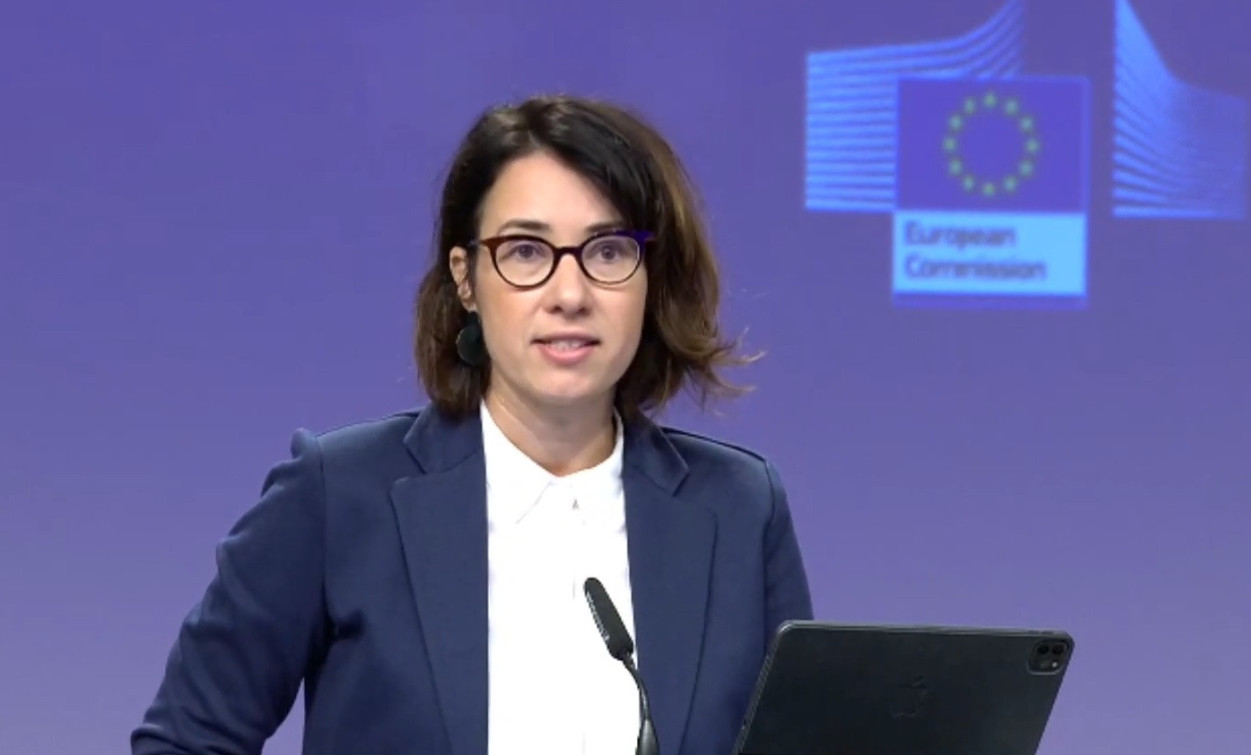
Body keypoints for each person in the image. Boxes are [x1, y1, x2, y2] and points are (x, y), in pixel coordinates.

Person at [131, 93, 813, 755]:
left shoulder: (740, 508)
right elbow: (186, 741)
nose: (569, 294)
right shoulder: (338, 497)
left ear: (649, 276)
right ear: (466, 280)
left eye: (607, 251)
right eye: (526, 251)